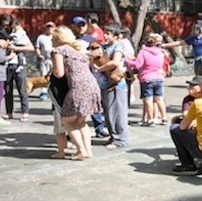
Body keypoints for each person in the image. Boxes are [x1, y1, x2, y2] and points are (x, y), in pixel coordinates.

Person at [51, 26, 103, 160]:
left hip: (78, 87)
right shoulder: (78, 51)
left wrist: (53, 68)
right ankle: (88, 150)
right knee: (81, 121)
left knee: (67, 121)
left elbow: (59, 73)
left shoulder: (59, 50)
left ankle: (81, 151)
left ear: (58, 39)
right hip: (92, 85)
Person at [0, 15, 34, 122]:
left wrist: (16, 48)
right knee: (7, 91)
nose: (6, 27)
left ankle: (25, 112)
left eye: (8, 25)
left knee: (22, 90)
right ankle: (9, 112)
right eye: (4, 25)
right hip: (5, 66)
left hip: (18, 63)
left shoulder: (19, 33)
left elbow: (31, 47)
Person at [95, 24, 131, 149]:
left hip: (115, 84)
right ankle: (113, 136)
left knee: (117, 112)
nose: (105, 35)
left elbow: (115, 62)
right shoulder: (103, 47)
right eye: (104, 32)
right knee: (109, 113)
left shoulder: (118, 47)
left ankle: (121, 139)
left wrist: (100, 68)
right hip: (104, 84)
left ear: (116, 36)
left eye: (108, 33)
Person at [124, 33, 168, 127]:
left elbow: (137, 65)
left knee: (148, 100)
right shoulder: (160, 52)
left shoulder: (143, 52)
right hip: (159, 77)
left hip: (147, 78)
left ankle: (150, 119)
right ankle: (164, 118)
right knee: (159, 99)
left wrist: (127, 60)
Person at [35, 21, 56, 100]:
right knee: (44, 76)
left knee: (55, 76)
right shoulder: (41, 37)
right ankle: (44, 92)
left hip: (55, 59)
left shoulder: (56, 36)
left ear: (54, 28)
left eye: (51, 27)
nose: (50, 28)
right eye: (48, 27)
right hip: (45, 59)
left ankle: (53, 92)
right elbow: (37, 47)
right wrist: (39, 55)